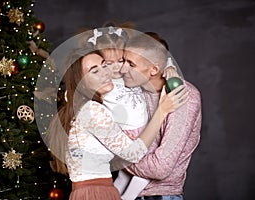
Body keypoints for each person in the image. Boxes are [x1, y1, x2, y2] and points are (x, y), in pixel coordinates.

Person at [56, 30, 188, 199]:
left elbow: (148, 53)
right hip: (95, 193)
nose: (105, 72)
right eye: (94, 71)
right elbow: (132, 154)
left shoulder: (92, 105)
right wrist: (162, 110)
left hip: (100, 188)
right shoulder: (92, 110)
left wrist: (169, 67)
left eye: (104, 65)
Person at [115, 32, 202, 200]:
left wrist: (120, 156)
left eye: (131, 64)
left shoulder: (183, 96)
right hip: (119, 192)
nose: (123, 69)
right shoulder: (128, 91)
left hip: (160, 196)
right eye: (123, 61)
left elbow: (160, 168)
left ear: (154, 69)